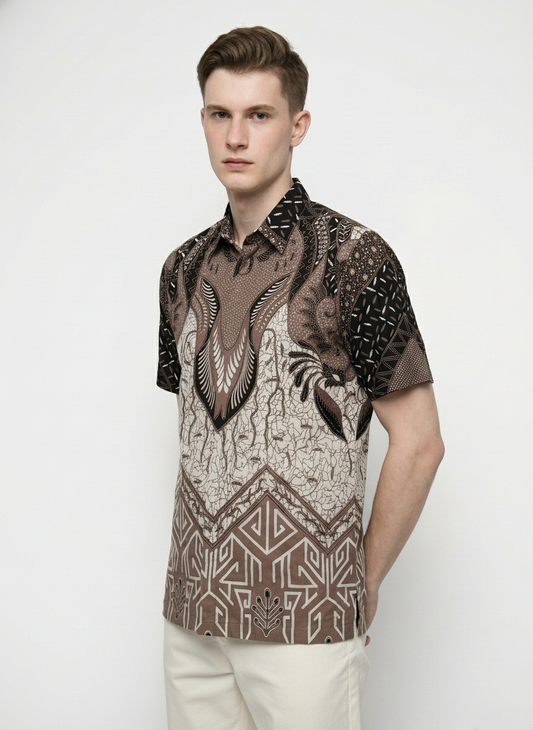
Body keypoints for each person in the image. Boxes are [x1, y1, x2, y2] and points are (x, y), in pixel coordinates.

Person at [157, 25, 444, 730]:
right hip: (192, 615)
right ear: (202, 120)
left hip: (307, 622)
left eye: (259, 115)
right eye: (220, 114)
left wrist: (359, 580)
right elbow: (202, 436)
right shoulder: (180, 270)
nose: (236, 136)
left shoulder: (354, 258)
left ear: (297, 126)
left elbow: (420, 442)